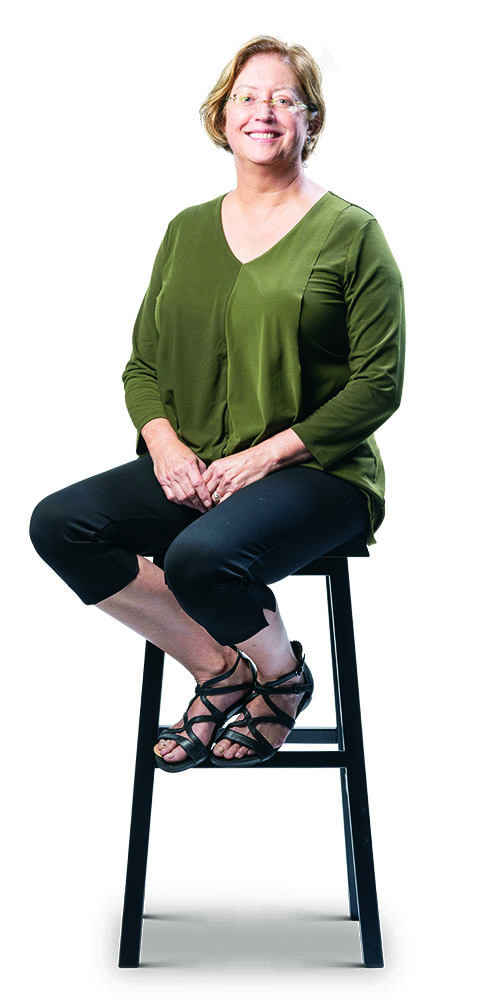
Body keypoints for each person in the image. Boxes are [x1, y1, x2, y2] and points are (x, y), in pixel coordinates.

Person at [29, 35, 405, 772]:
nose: (263, 111)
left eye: (283, 98)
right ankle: (219, 671)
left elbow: (378, 383)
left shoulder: (353, 233)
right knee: (61, 524)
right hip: (198, 462)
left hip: (317, 474)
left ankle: (283, 679)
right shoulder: (186, 230)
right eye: (246, 97)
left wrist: (263, 456)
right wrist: (166, 447)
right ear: (221, 117)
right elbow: (143, 363)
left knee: (203, 557)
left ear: (310, 121)